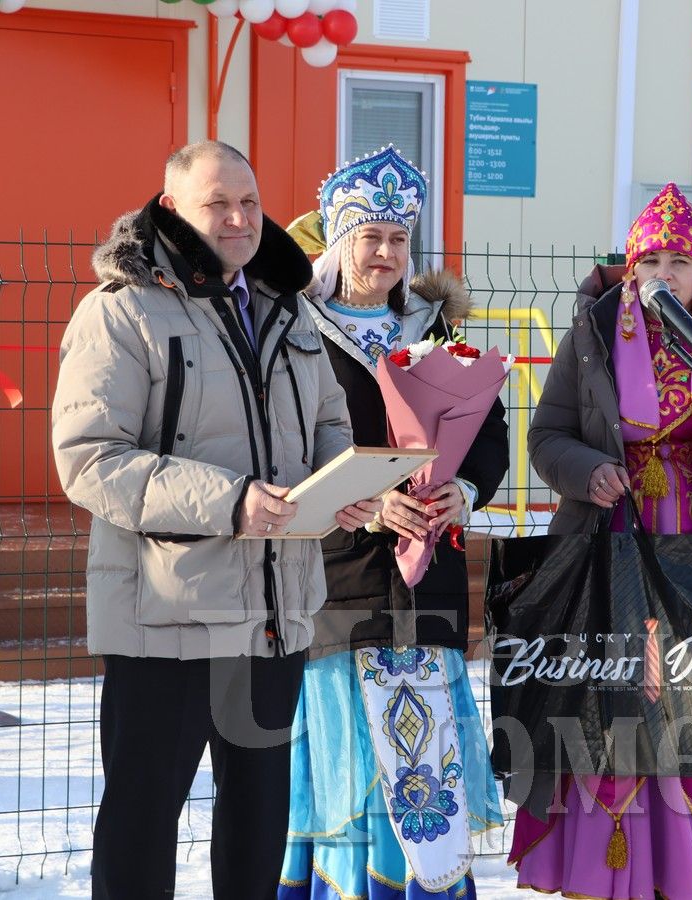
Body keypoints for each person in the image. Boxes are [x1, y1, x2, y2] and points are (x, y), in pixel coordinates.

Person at [51, 140, 381, 900]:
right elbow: (89, 460)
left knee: (258, 817)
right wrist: (230, 501)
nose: (238, 219)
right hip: (166, 614)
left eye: (249, 202)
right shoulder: (120, 310)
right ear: (171, 209)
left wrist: (343, 483)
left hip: (272, 614)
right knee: (142, 816)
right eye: (216, 203)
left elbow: (325, 422)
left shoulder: (286, 304)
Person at [511, 182, 692, 899]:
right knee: (616, 699)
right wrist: (588, 472)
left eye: (678, 261)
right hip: (611, 542)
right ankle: (604, 868)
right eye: (649, 261)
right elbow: (545, 437)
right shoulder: (592, 335)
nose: (661, 275)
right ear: (630, 268)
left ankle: (687, 870)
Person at [276, 145, 507, 899]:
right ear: (338, 241)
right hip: (339, 581)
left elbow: (489, 434)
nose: (384, 253)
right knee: (351, 771)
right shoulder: (294, 332)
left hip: (427, 580)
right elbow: (281, 448)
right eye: (369, 236)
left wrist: (463, 494)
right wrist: (368, 501)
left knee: (424, 767)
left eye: (398, 239)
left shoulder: (434, 328)